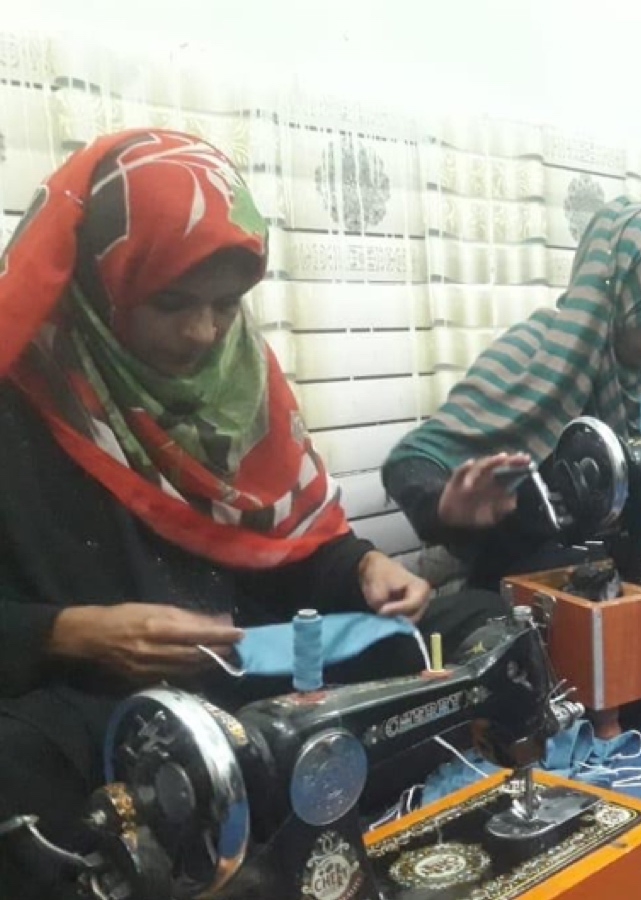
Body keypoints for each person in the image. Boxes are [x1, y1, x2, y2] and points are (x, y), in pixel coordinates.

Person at [0, 130, 507, 897]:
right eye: (170, 303)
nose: (204, 333)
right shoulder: (18, 393)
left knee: (465, 627)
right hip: (92, 699)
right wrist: (74, 633)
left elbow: (287, 546)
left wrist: (362, 565)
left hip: (242, 680)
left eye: (226, 305)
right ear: (102, 284)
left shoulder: (239, 377)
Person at [383, 197, 641, 590]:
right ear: (613, 298)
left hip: (632, 567)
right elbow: (412, 463)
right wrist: (442, 505)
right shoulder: (536, 355)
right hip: (536, 575)